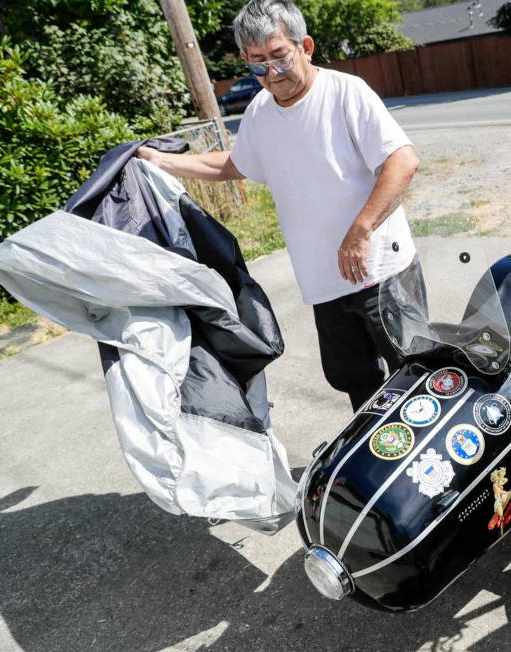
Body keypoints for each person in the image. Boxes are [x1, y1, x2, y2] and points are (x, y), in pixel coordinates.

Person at [137, 0, 421, 411]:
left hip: (380, 272)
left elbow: (402, 161)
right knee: (357, 384)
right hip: (324, 283)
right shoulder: (259, 113)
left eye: (279, 57)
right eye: (257, 63)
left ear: (305, 46)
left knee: (413, 375)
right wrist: (163, 162)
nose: (270, 73)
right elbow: (236, 164)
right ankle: (374, 464)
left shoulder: (345, 93)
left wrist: (360, 232)